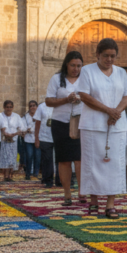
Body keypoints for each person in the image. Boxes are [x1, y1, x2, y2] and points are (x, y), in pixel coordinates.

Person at [75, 38, 127, 217]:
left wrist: (116, 112)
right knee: (92, 163)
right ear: (97, 55)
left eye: (113, 56)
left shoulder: (121, 72)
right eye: (106, 56)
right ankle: (93, 201)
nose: (109, 59)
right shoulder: (87, 71)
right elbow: (85, 95)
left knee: (114, 164)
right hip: (92, 125)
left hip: (117, 125)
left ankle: (110, 203)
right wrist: (108, 110)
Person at [46, 51, 84, 205]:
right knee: (64, 159)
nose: (75, 69)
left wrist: (80, 99)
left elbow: (93, 97)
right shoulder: (56, 79)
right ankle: (67, 194)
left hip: (81, 122)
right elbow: (49, 101)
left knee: (80, 158)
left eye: (79, 66)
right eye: (73, 65)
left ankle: (82, 192)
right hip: (60, 122)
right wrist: (66, 100)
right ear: (66, 65)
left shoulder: (85, 79)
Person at [0, 100, 24, 182]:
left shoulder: (17, 116)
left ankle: (10, 175)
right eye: (7, 107)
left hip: (13, 139)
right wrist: (5, 134)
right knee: (4, 158)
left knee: (12, 158)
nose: (9, 109)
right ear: (4, 107)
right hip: (3, 139)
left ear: (13, 107)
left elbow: (21, 127)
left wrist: (18, 132)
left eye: (10, 107)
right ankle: (5, 175)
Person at [33, 100, 56, 187]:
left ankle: (60, 180)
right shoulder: (41, 106)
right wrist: (36, 138)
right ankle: (48, 180)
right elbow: (37, 123)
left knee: (59, 160)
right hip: (45, 137)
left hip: (58, 136)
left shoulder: (61, 105)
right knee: (47, 160)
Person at [21, 101, 40, 180]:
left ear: (37, 107)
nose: (32, 107)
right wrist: (27, 130)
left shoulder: (40, 116)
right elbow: (23, 127)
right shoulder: (25, 117)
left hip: (38, 139)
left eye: (34, 105)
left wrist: (31, 129)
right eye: (31, 106)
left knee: (38, 156)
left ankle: (36, 173)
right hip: (28, 140)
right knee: (29, 156)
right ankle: (28, 173)